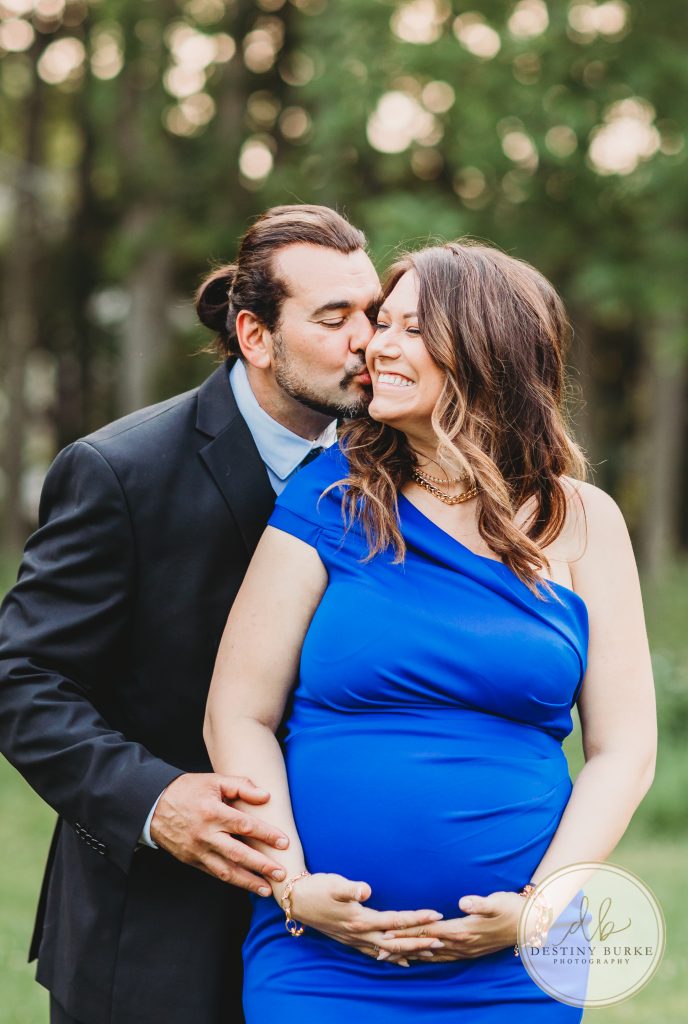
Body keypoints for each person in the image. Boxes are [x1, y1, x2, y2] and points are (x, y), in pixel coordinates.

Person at [0, 204, 439, 1024]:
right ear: (255, 336)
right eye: (334, 318)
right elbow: (23, 679)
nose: (368, 341)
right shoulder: (120, 471)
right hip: (155, 939)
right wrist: (155, 801)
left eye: (374, 313)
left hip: (349, 934)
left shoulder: (402, 471)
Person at [204, 240, 658, 1021]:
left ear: (487, 349)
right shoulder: (329, 498)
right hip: (320, 958)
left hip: (517, 966)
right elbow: (236, 713)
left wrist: (543, 905)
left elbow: (625, 750)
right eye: (382, 322)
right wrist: (291, 886)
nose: (375, 345)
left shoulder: (583, 521)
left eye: (409, 328)